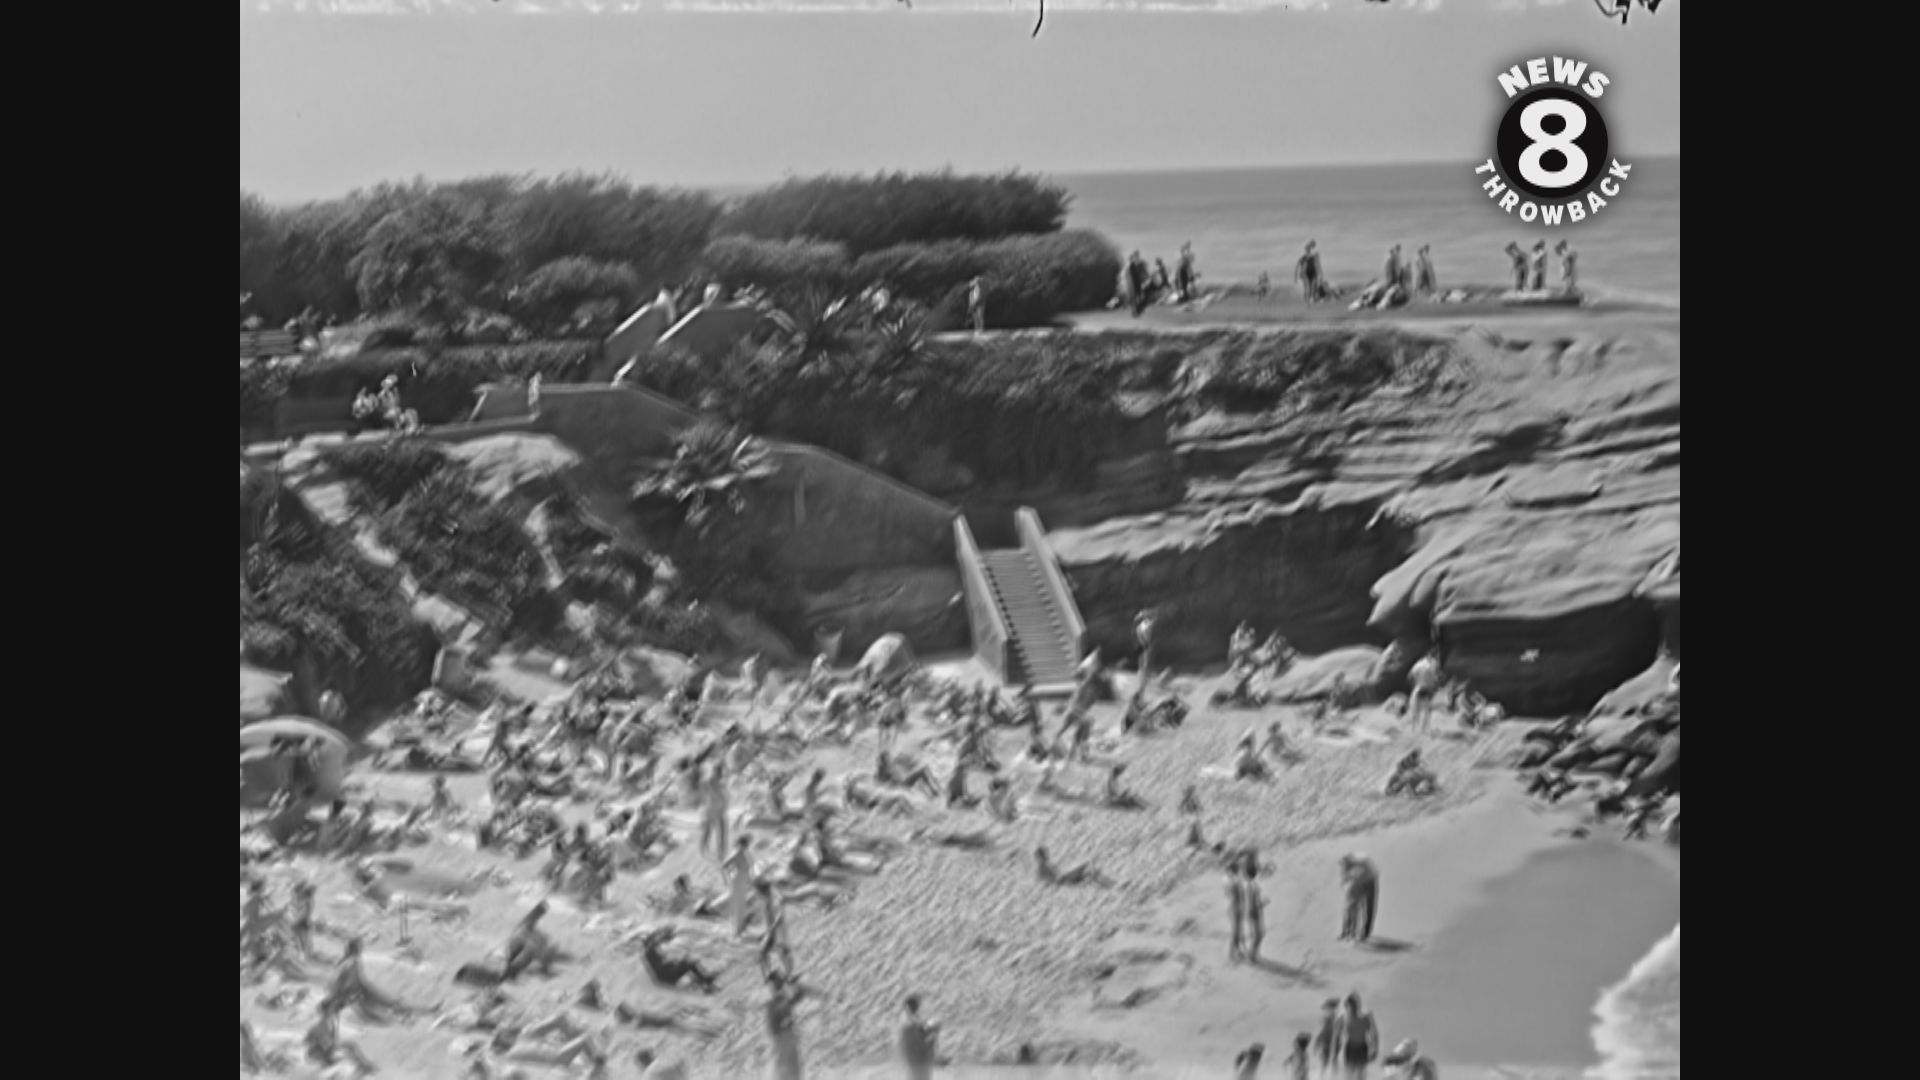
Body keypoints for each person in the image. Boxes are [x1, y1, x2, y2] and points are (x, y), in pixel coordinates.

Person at [764, 968, 811, 1080]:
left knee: (794, 1069)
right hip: (783, 1038)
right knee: (786, 1068)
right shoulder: (774, 1002)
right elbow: (772, 1025)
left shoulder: (782, 998)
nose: (780, 981)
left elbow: (798, 997)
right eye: (777, 979)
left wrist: (797, 985)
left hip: (789, 1037)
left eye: (780, 979)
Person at [1333, 993, 1380, 1080]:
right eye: (1351, 1006)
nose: (1353, 1008)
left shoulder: (1366, 1017)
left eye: (1356, 1005)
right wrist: (1335, 1055)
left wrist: (1375, 1049)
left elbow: (1374, 1033)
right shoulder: (1343, 1018)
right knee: (1349, 1075)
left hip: (1362, 1049)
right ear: (1346, 1006)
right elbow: (1336, 1037)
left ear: (1358, 1005)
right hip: (1350, 1049)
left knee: (1361, 1075)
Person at [899, 993, 941, 1080]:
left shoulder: (911, 1021)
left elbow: (922, 1030)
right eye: (918, 1004)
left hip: (916, 1061)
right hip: (918, 1061)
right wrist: (932, 1035)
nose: (919, 1007)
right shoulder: (909, 1024)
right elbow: (920, 1043)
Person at [1339, 855, 1379, 944]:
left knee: (1369, 906)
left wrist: (1358, 896)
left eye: (1347, 865)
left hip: (1370, 879)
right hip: (1356, 887)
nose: (1345, 868)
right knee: (1348, 910)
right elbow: (1344, 877)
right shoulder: (1348, 865)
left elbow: (1359, 879)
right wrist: (1344, 882)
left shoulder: (1362, 863)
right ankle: (1345, 932)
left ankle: (1365, 932)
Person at [723, 836, 757, 938]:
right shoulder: (736, 853)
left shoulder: (746, 853)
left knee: (742, 904)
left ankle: (740, 928)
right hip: (737, 880)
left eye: (747, 844)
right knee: (737, 905)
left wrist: (751, 880)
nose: (747, 845)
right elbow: (725, 865)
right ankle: (735, 930)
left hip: (744, 879)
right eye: (746, 844)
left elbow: (750, 867)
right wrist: (728, 877)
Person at [1406, 650, 1442, 733]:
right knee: (1426, 711)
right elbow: (1434, 679)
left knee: (1415, 710)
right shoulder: (1432, 665)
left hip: (1417, 688)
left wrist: (1415, 684)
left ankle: (1413, 729)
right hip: (1426, 689)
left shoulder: (1417, 664)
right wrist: (1435, 686)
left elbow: (1409, 677)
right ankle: (1423, 731)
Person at [1243, 855, 1267, 961]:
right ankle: (1251, 955)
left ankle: (1253, 954)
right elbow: (1254, 901)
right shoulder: (1253, 886)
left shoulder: (1249, 885)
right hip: (1254, 912)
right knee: (1259, 934)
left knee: (1257, 934)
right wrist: (1262, 903)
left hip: (1252, 911)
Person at [1313, 998, 1342, 1078]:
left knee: (1331, 1062)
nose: (1326, 1011)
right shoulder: (1327, 1019)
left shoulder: (1336, 1020)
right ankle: (1324, 1076)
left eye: (1327, 1009)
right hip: (1327, 1043)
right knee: (1326, 1063)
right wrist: (1317, 1042)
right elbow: (1322, 1032)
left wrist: (1318, 1042)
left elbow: (1335, 1033)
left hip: (1332, 1043)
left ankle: (1331, 1076)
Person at [1226, 860, 1247, 963]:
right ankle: (1233, 953)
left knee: (1236, 931)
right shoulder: (1236, 881)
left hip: (1233, 908)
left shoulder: (1232, 881)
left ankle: (1236, 951)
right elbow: (1239, 897)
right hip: (1236, 908)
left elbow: (1231, 896)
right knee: (1236, 931)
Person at [1135, 609, 1159, 681]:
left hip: (1143, 642)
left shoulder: (1141, 626)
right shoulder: (1144, 625)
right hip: (1145, 643)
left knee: (1143, 658)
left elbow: (1153, 620)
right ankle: (1144, 673)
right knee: (1145, 658)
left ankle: (1142, 672)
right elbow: (1154, 621)